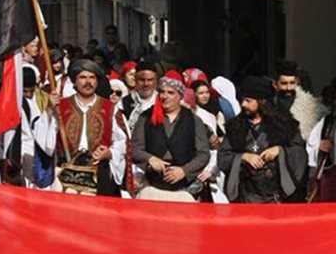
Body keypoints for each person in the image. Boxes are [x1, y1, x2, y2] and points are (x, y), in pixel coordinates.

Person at [35, 59, 126, 196]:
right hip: (66, 176)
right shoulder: (61, 107)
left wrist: (109, 153)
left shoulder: (110, 108)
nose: (88, 82)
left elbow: (123, 141)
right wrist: (49, 109)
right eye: (83, 77)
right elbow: (44, 142)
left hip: (98, 175)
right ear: (74, 81)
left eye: (92, 77)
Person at [217, 76, 308, 203]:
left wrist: (280, 151)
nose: (243, 104)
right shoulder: (235, 127)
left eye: (248, 101)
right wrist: (243, 157)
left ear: (262, 101)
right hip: (245, 196)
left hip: (276, 197)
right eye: (242, 100)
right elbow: (223, 157)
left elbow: (300, 152)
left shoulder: (285, 125)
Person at [131, 73, 210, 202]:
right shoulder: (145, 117)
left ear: (180, 96)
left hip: (183, 188)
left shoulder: (194, 121)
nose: (165, 96)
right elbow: (133, 148)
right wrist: (150, 159)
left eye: (171, 93)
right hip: (152, 185)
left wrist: (184, 171)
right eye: (162, 92)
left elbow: (203, 154)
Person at [274, 61, 326, 140]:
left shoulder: (311, 108)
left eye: (292, 83)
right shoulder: (267, 104)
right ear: (275, 84)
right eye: (284, 83)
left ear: (297, 82)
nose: (289, 88)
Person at [122, 64, 158, 133]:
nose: (146, 84)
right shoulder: (123, 103)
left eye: (150, 80)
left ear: (156, 81)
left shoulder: (163, 102)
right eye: (142, 80)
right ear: (135, 80)